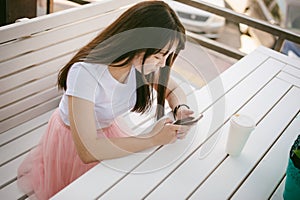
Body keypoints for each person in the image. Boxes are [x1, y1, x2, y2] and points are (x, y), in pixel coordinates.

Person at [17, 1, 195, 199]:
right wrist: (152, 138)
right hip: (73, 142)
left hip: (108, 131)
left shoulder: (139, 66)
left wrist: (180, 108)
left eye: (168, 56)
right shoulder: (85, 72)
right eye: (159, 55)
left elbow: (173, 88)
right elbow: (87, 150)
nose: (163, 63)